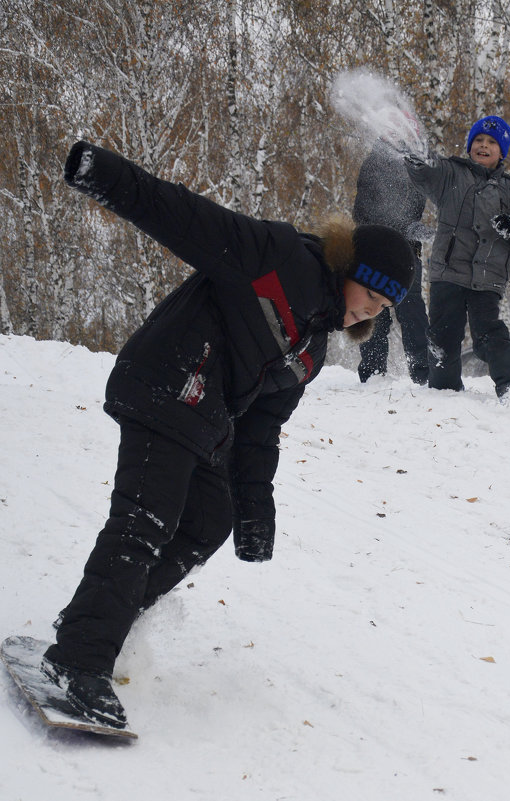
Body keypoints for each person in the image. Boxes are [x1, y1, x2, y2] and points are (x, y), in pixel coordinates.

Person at [41, 140, 417, 728]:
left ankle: (94, 621)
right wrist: (104, 174)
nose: (367, 313)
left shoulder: (312, 346)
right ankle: (78, 659)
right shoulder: (277, 256)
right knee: (145, 521)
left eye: (381, 308)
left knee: (207, 520)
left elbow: (261, 430)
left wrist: (255, 510)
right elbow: (184, 216)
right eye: (368, 294)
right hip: (167, 384)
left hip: (206, 420)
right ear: (348, 269)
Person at [404, 115, 510, 397]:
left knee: (488, 335)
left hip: (488, 278)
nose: (483, 145)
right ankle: (444, 391)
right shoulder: (450, 173)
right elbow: (425, 172)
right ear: (469, 145)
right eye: (478, 140)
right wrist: (415, 153)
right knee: (443, 335)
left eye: (491, 142)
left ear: (501, 151)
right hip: (448, 272)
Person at [353, 136, 431, 384]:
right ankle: (372, 374)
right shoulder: (373, 163)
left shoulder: (416, 166)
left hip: (408, 252)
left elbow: (420, 203)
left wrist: (414, 229)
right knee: (373, 310)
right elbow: (361, 211)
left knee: (412, 312)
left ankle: (424, 374)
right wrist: (404, 227)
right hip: (375, 250)